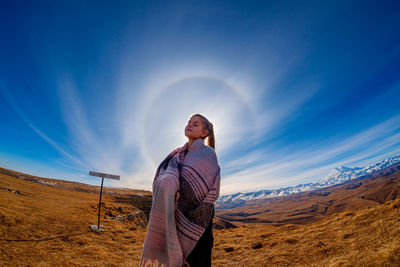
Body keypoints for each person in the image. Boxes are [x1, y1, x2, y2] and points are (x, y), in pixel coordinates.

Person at [140, 114, 221, 267]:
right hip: (176, 219)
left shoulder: (208, 154)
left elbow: (212, 192)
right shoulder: (176, 156)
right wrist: (168, 183)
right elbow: (165, 180)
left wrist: (179, 189)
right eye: (188, 122)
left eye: (195, 124)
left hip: (200, 222)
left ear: (204, 133)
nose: (189, 125)